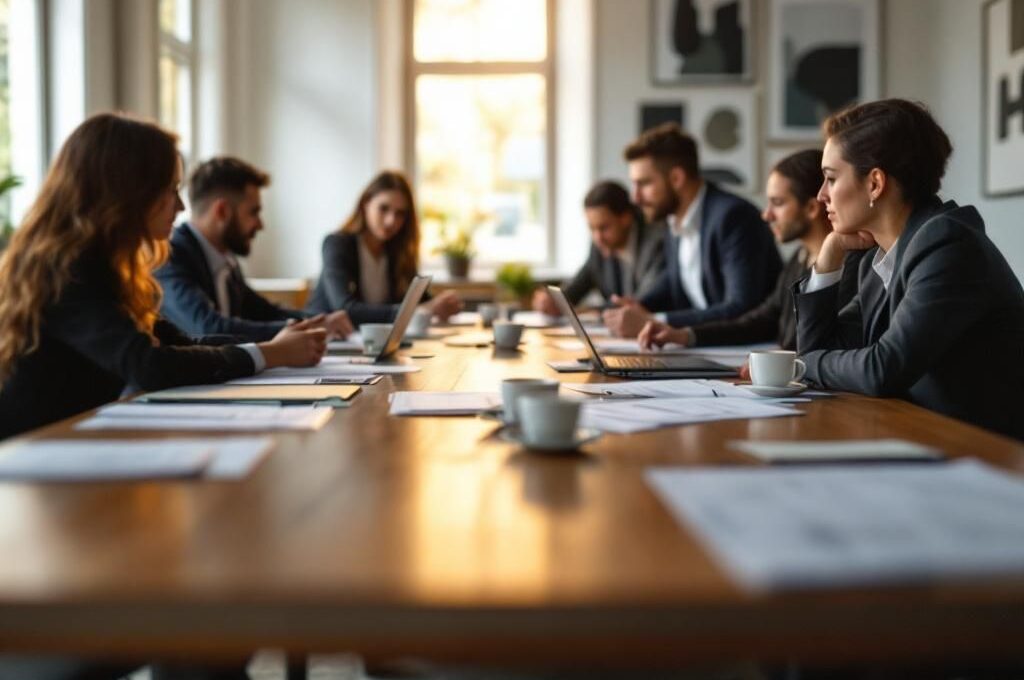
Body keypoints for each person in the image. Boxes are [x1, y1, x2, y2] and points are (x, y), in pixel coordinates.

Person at [0, 114, 328, 442]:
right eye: (171, 190)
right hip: (26, 456)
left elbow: (181, 343)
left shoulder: (106, 267)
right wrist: (270, 353)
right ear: (129, 192)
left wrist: (272, 346)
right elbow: (149, 365)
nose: (182, 206)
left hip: (69, 444)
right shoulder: (66, 270)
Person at [795, 98, 1024, 440]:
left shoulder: (949, 244)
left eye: (830, 178)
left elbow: (882, 369)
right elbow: (825, 346)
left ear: (875, 184)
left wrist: (803, 364)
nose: (821, 195)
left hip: (987, 452)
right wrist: (829, 256)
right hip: (924, 436)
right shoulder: (880, 257)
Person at [639, 148, 860, 351]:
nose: (766, 215)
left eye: (778, 203)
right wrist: (685, 335)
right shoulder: (798, 258)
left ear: (811, 208)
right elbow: (761, 320)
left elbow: (822, 344)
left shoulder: (851, 265)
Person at [603, 122, 781, 337]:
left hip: (748, 347)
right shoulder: (673, 220)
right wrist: (636, 307)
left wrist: (655, 321)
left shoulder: (733, 217)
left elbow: (741, 307)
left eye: (644, 183)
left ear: (676, 178)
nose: (635, 197)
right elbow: (673, 281)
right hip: (706, 346)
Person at [156, 157, 354, 341]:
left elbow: (265, 312)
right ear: (222, 211)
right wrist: (306, 329)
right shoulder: (171, 256)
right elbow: (207, 327)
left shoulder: (225, 261)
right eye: (254, 212)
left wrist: (321, 321)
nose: (261, 225)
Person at [305, 170, 462, 323]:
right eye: (383, 208)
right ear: (366, 203)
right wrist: (418, 310)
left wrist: (442, 305)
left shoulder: (397, 252)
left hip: (373, 338)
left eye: (400, 213)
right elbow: (345, 309)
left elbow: (420, 301)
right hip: (325, 337)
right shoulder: (337, 244)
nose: (391, 221)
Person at [532, 180, 665, 316]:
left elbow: (639, 303)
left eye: (603, 228)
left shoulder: (656, 243)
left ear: (625, 218)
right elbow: (576, 288)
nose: (597, 237)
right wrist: (554, 301)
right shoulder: (600, 246)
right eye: (592, 228)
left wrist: (588, 311)